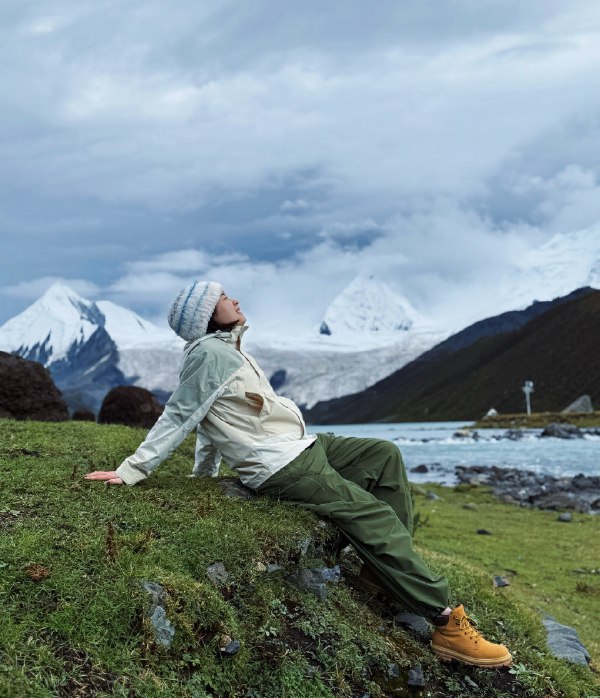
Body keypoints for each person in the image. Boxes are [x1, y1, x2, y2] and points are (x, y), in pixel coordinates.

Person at [85, 281, 512, 668]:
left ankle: (382, 576)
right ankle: (445, 622)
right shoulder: (210, 354)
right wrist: (133, 470)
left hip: (300, 446)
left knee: (381, 455)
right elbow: (182, 414)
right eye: (223, 297)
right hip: (282, 464)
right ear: (207, 314)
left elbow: (216, 420)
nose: (234, 299)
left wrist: (205, 476)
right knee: (372, 515)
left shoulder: (227, 349)